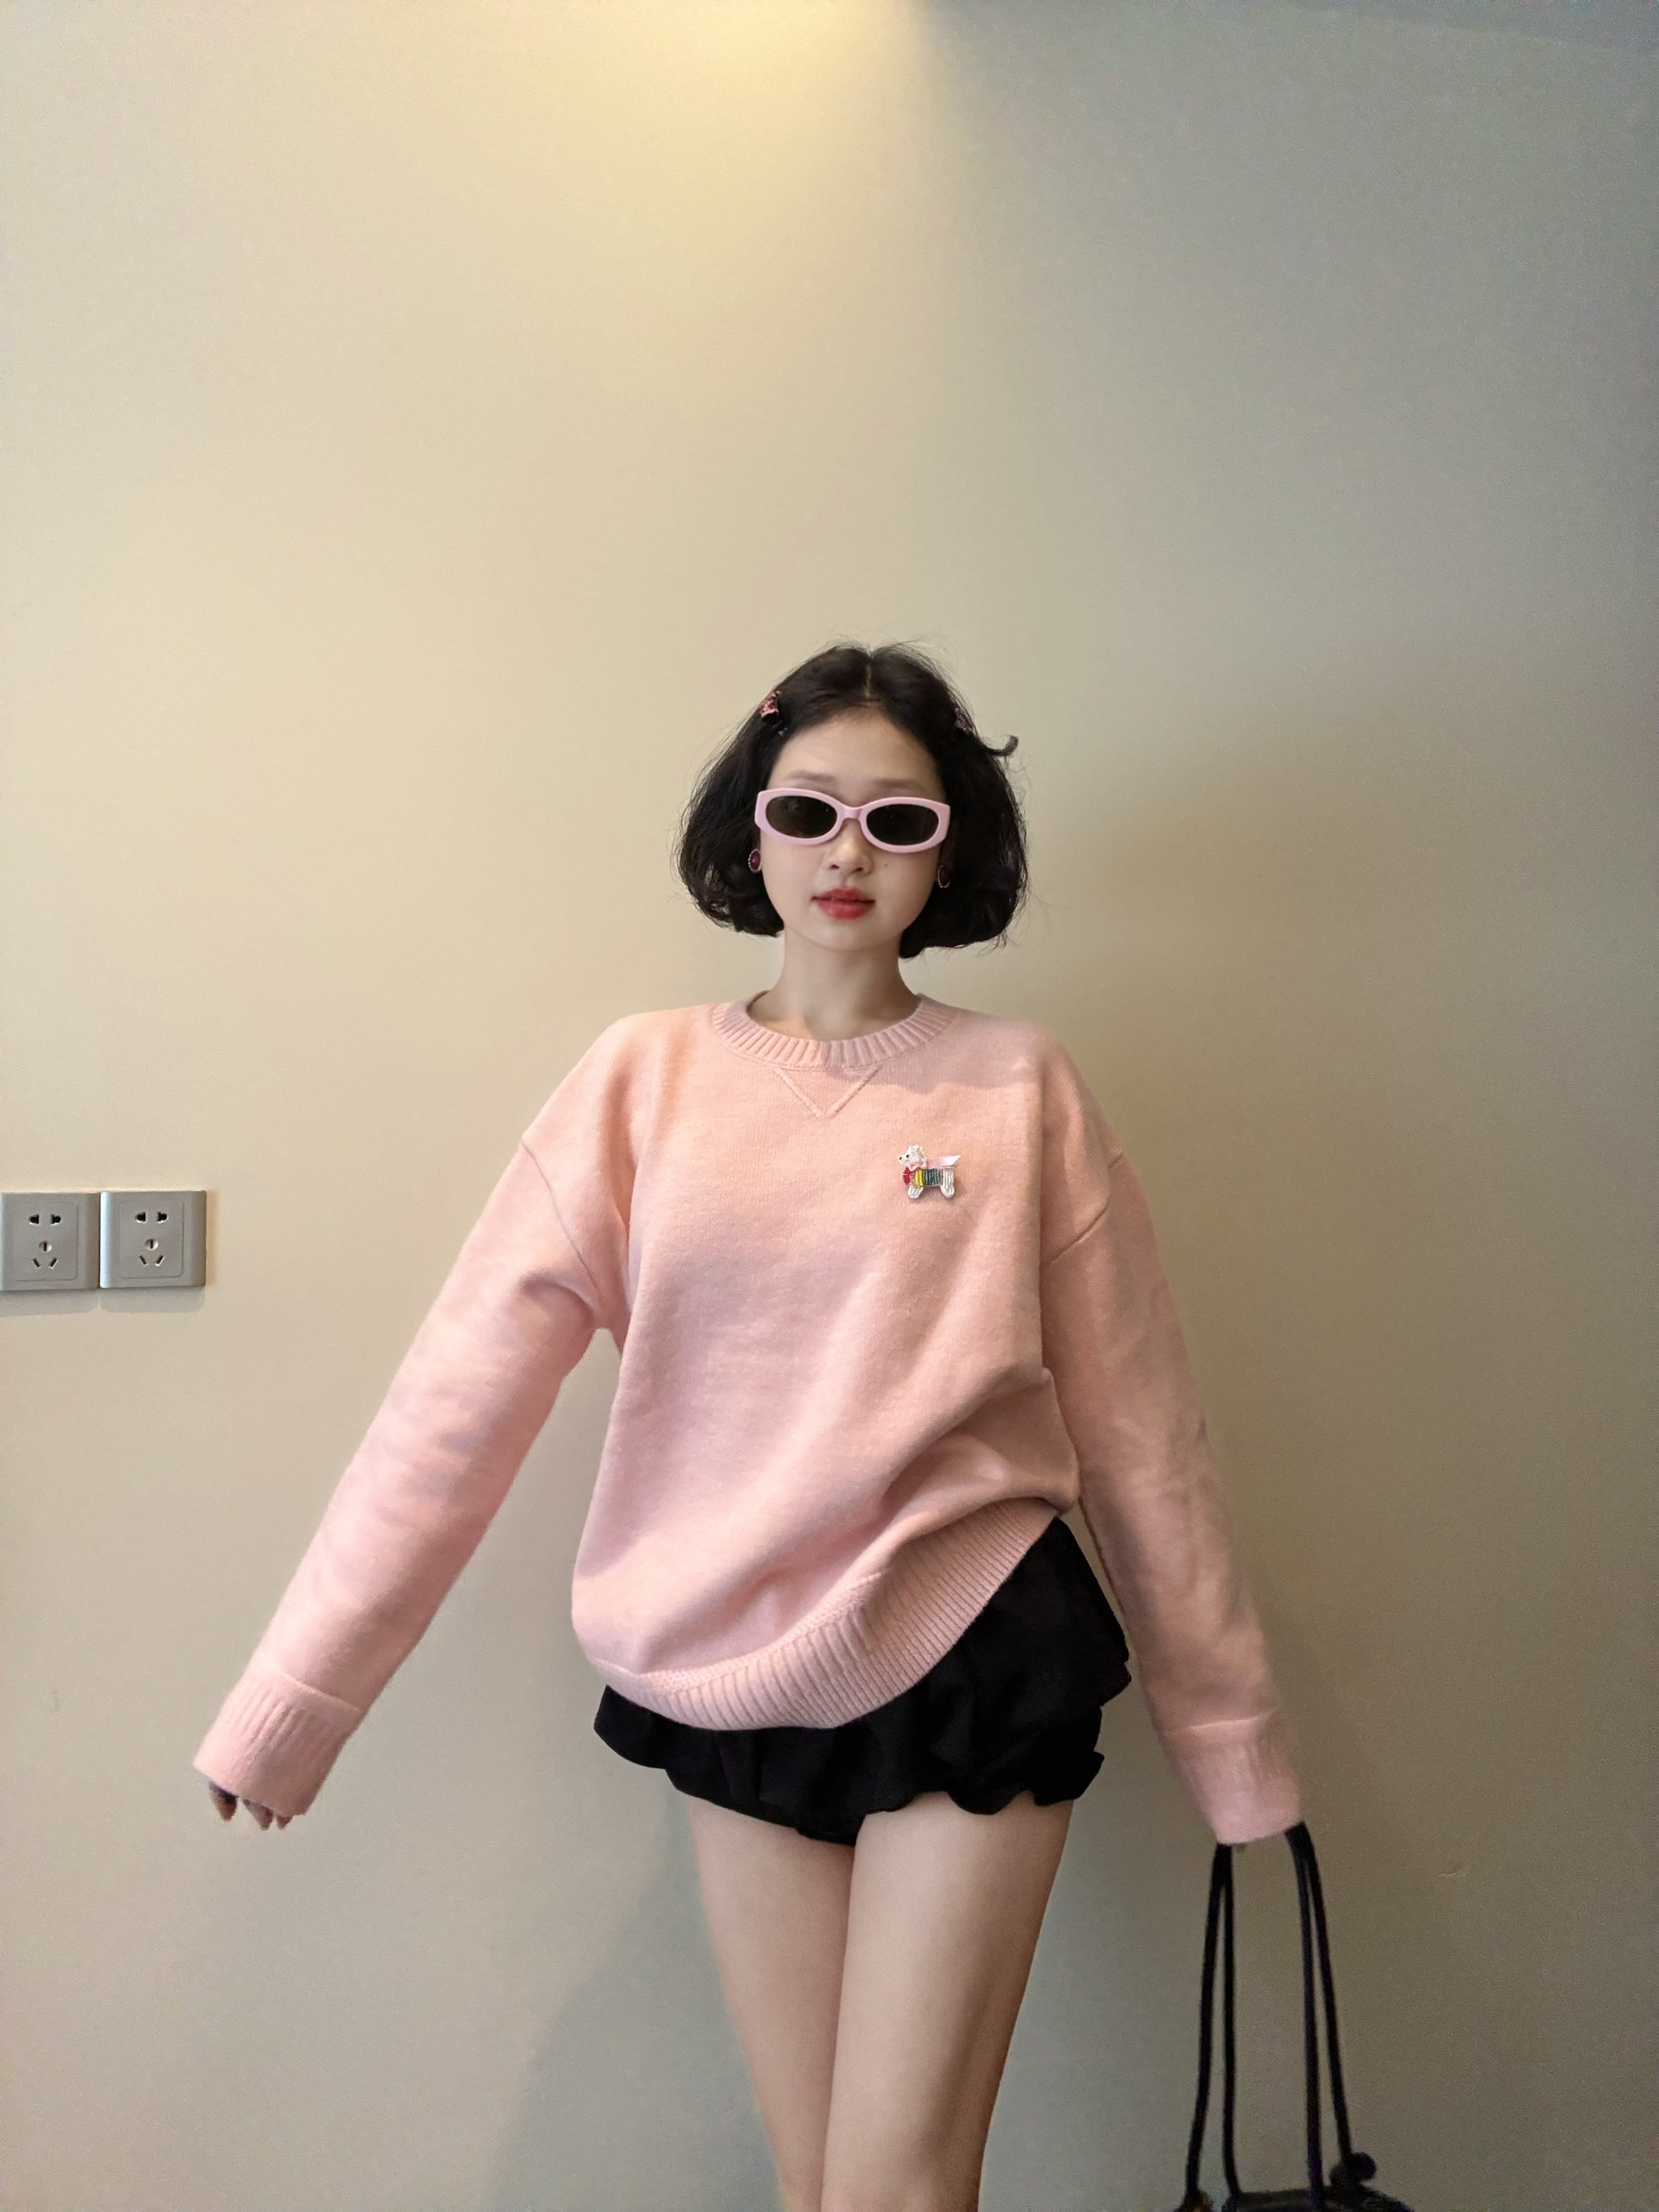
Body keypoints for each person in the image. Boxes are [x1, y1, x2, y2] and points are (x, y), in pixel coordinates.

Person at [196, 641, 1302, 2212]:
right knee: (816, 2188)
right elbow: (454, 1406)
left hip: (972, 1642)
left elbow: (1143, 1433)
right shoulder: (640, 1083)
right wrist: (299, 1698)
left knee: (898, 2192)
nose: (850, 852)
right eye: (808, 811)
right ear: (752, 832)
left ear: (953, 854)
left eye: (899, 821)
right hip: (728, 1654)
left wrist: (1232, 1741)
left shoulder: (1018, 1088)